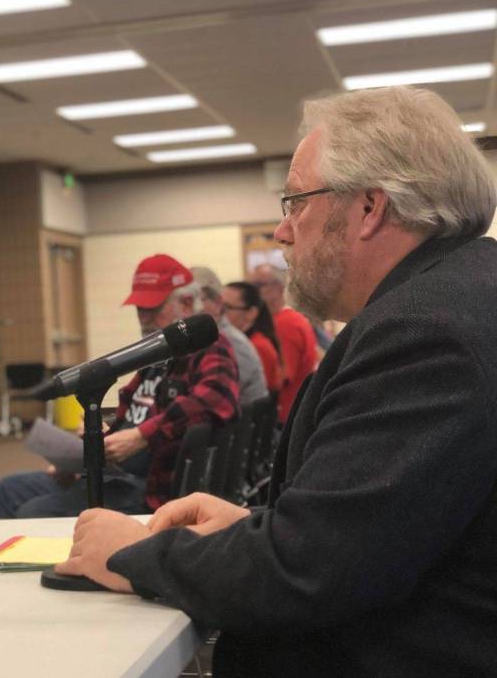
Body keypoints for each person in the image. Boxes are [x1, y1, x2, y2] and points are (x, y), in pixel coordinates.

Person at [55, 86, 497, 675]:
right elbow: (385, 531)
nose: (282, 232)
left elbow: (311, 574)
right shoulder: (458, 293)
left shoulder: (423, 332)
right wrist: (259, 528)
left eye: (296, 202)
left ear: (371, 208)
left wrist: (134, 553)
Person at [0, 254, 239, 518]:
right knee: (7, 489)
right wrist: (89, 450)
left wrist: (141, 436)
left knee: (34, 512)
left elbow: (214, 399)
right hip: (113, 471)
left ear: (187, 304)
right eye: (139, 310)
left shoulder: (211, 348)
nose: (143, 319)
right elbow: (129, 416)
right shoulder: (156, 355)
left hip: (148, 486)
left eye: (152, 309)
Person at [189, 266, 268, 405]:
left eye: (197, 299)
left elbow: (212, 402)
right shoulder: (203, 338)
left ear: (218, 302)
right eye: (184, 301)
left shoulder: (231, 342)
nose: (192, 307)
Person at [249, 263, 317, 423]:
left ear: (278, 287)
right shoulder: (286, 320)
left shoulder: (284, 324)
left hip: (284, 418)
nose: (253, 291)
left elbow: (282, 377)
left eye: (258, 285)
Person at [222, 281, 283, 400]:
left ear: (251, 313)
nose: (220, 313)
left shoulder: (257, 346)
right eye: (218, 306)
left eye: (227, 308)